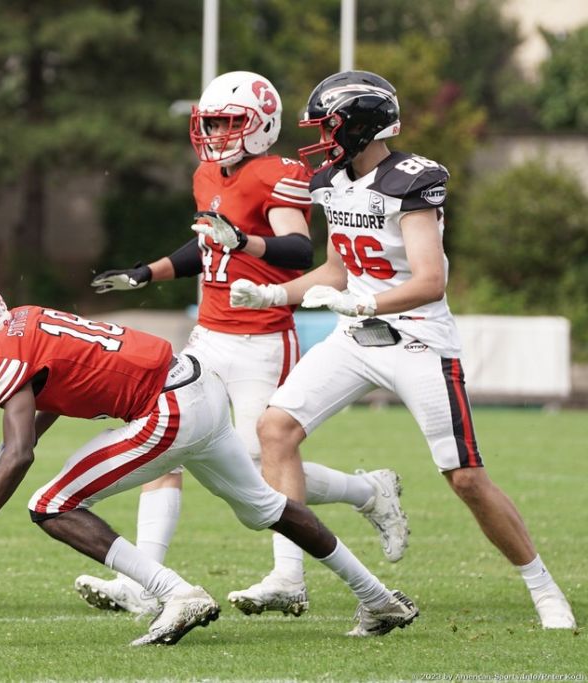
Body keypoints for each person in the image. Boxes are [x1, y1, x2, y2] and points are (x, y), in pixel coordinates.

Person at [229, 70, 576, 629]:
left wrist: (366, 306)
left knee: (465, 478)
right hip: (355, 337)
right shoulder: (330, 182)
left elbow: (430, 280)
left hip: (416, 337)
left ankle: (543, 588)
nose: (321, 137)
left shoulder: (412, 181)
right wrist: (272, 292)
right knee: (275, 430)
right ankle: (288, 576)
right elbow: (338, 272)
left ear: (359, 125)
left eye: (328, 125)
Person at [0, 275, 418, 645]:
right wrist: (10, 443)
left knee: (48, 504)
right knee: (265, 506)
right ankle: (377, 598)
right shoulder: (21, 321)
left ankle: (173, 592)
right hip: (195, 381)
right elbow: (49, 389)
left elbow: (22, 455)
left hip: (166, 407)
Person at [68, 71, 408, 619]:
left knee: (258, 462)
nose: (218, 133)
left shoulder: (277, 173)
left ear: (260, 125)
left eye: (229, 122)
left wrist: (244, 239)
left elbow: (298, 249)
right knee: (165, 444)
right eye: (212, 122)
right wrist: (145, 273)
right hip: (209, 337)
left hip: (261, 339)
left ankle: (342, 517)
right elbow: (207, 247)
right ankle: (144, 582)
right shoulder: (208, 173)